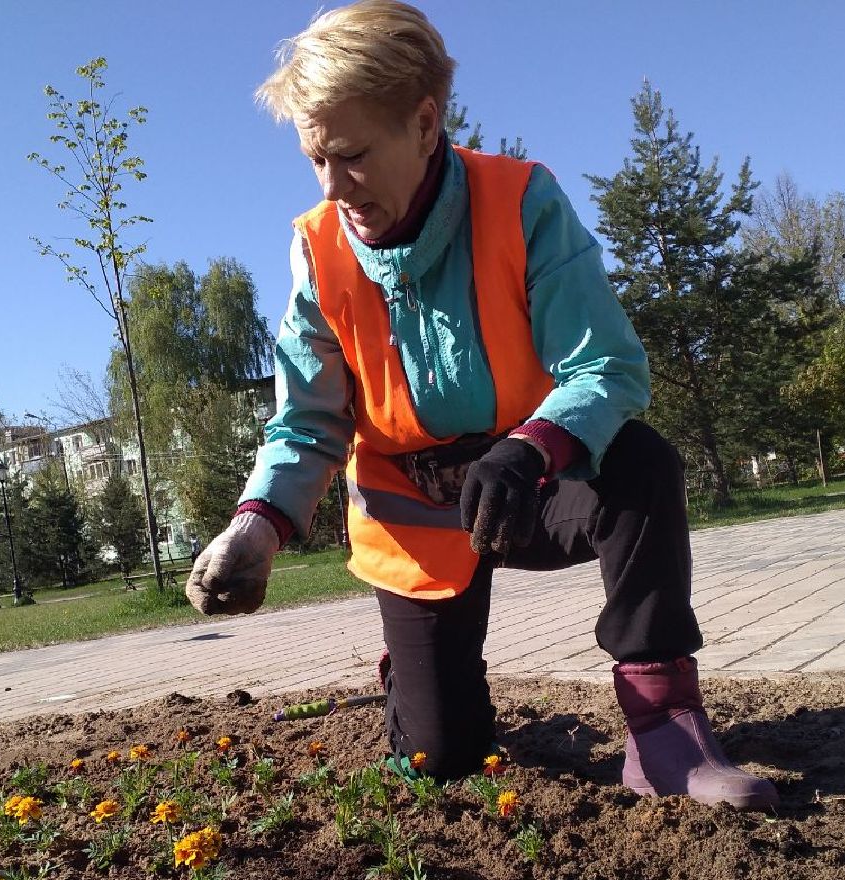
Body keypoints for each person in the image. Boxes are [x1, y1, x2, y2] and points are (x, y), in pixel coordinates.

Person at [186, 0, 777, 809]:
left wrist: (530, 448)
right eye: (316, 159)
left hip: (529, 482)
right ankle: (421, 678)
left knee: (642, 467)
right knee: (445, 760)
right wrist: (257, 526)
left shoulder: (522, 202)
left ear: (425, 123)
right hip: (413, 512)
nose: (333, 186)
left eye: (352, 156)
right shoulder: (318, 249)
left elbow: (608, 366)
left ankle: (664, 735)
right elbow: (309, 418)